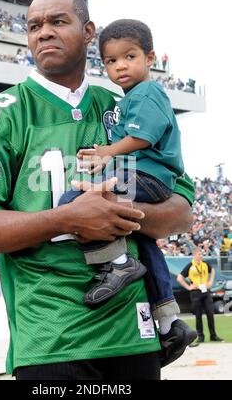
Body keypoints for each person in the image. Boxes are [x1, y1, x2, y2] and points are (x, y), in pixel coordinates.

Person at [0, 0, 194, 380]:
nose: (44, 32)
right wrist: (69, 218)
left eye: (57, 22)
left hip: (133, 332)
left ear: (88, 32)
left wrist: (116, 214)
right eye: (34, 26)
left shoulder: (124, 107)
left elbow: (181, 213)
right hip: (51, 335)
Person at [58, 19, 196, 348]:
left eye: (129, 57)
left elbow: (142, 137)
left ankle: (118, 264)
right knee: (142, 238)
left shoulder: (147, 91)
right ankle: (167, 318)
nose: (120, 66)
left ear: (150, 58)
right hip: (141, 174)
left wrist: (106, 153)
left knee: (73, 201)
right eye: (111, 60)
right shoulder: (130, 96)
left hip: (146, 175)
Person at [177, 247, 224, 344]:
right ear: (194, 255)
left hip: (206, 291)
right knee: (198, 315)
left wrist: (210, 281)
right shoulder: (190, 266)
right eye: (199, 254)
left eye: (201, 254)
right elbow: (179, 278)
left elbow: (213, 271)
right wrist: (188, 287)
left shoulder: (205, 264)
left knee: (210, 313)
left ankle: (213, 335)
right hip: (195, 293)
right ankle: (200, 336)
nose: (201, 256)